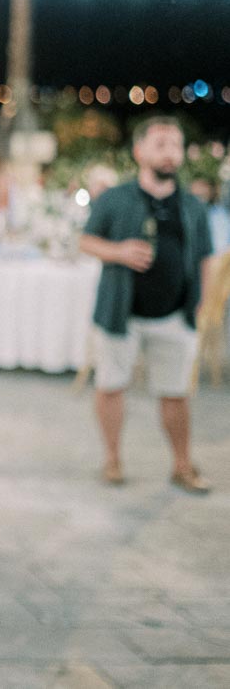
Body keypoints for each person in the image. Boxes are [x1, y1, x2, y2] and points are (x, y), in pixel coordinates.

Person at [78, 116, 212, 494]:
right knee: (111, 386)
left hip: (174, 315)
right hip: (121, 314)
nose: (170, 153)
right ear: (139, 151)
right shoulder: (114, 199)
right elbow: (85, 241)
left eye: (175, 145)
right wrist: (117, 252)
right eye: (160, 145)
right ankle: (112, 459)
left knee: (176, 394)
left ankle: (182, 465)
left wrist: (199, 302)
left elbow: (204, 257)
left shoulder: (192, 205)